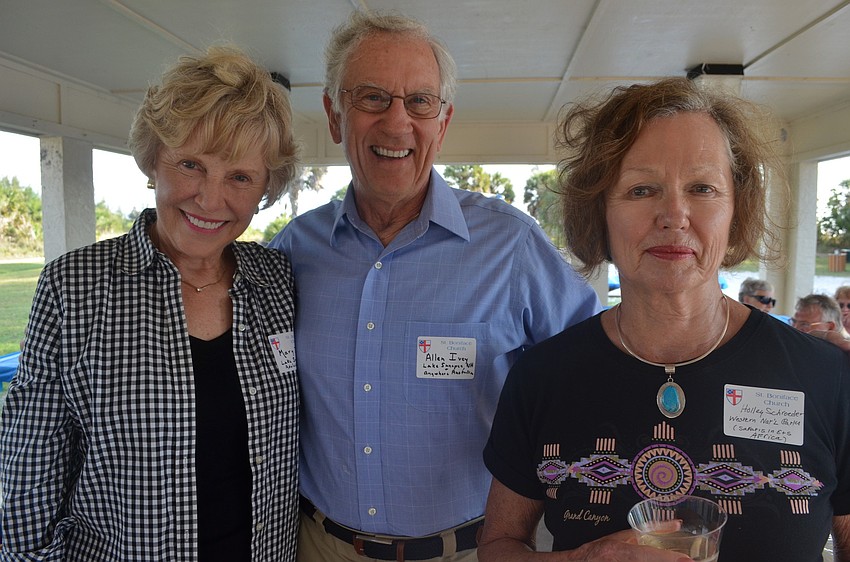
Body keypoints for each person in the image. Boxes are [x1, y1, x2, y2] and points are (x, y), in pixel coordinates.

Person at [268, 10, 600, 562]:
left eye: (419, 101)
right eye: (372, 97)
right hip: (320, 547)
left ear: (442, 121)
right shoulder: (293, 252)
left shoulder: (511, 246)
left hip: (466, 550)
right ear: (333, 115)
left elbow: (592, 375)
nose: (397, 124)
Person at [479, 78, 850, 561]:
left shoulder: (827, 378)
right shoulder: (542, 378)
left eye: (702, 188)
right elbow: (498, 546)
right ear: (599, 213)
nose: (674, 214)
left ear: (736, 212)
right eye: (641, 189)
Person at [0, 46, 301, 560]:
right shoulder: (75, 288)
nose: (210, 199)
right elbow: (28, 479)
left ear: (265, 189)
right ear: (152, 160)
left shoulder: (278, 282)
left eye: (240, 177)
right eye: (191, 164)